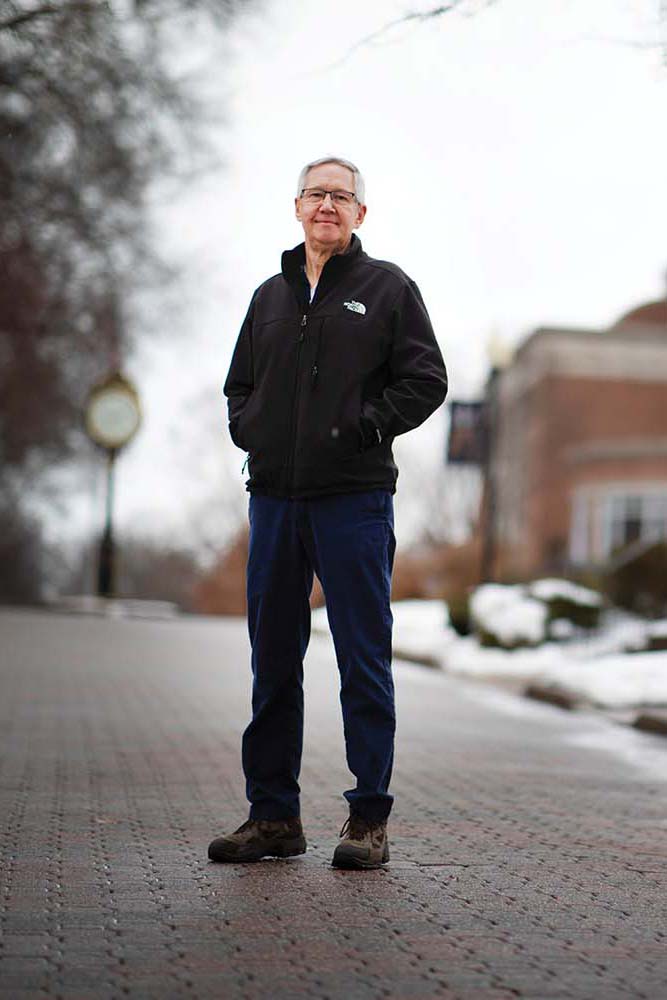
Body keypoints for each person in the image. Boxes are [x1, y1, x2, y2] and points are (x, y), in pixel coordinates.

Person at [208, 156, 447, 869]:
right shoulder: (268, 297)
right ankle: (272, 815)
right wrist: (249, 427)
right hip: (276, 501)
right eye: (316, 193)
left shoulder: (388, 289)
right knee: (272, 660)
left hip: (354, 501)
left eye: (341, 197)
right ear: (296, 206)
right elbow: (238, 386)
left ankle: (367, 818)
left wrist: (365, 428)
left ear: (359, 216)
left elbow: (426, 380)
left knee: (361, 657)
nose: (327, 206)